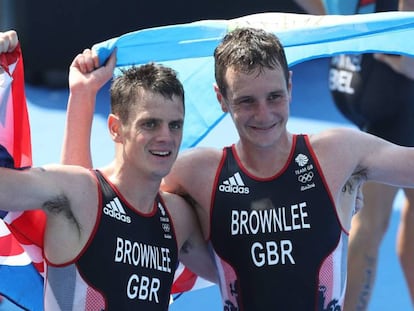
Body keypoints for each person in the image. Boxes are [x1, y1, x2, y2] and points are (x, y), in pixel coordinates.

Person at [65, 26, 414, 310]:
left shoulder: (337, 154)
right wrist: (82, 96)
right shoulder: (196, 174)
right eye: (246, 101)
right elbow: (88, 208)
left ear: (291, 87)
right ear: (221, 98)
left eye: (274, 97)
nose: (264, 115)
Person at [0, 30, 217, 310]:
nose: (166, 136)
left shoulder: (177, 217)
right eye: (150, 124)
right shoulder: (77, 194)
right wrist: (82, 96)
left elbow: (244, 273)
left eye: (175, 124)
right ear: (116, 128)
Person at [328, 0, 414, 309]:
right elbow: (408, 55)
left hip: (350, 69)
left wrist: (335, 24)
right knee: (371, 221)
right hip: (397, 88)